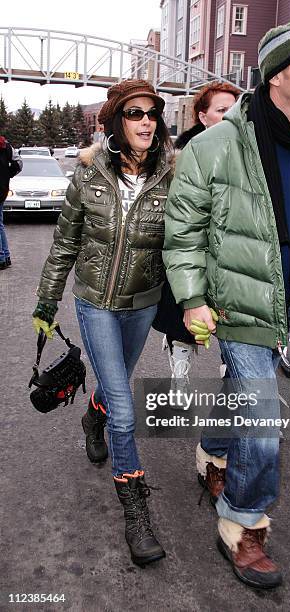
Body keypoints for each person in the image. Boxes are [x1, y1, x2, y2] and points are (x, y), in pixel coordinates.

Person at [163, 23, 290, 589]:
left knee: (241, 399)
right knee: (262, 419)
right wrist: (193, 298)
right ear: (278, 74)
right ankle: (242, 525)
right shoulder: (215, 145)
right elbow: (183, 234)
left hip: (289, 299)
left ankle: (212, 455)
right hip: (234, 302)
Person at [32, 79, 173, 567]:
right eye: (135, 114)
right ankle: (136, 513)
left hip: (143, 304)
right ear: (115, 123)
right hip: (96, 304)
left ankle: (94, 416)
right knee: (126, 408)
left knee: (116, 388)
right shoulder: (87, 176)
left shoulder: (172, 178)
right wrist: (46, 302)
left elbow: (188, 243)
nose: (146, 122)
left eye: (152, 113)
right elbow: (65, 245)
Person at [153, 81, 240, 383]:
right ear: (203, 117)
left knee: (234, 329)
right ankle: (180, 370)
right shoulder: (184, 156)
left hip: (231, 255)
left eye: (235, 109)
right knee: (185, 324)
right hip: (192, 251)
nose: (230, 116)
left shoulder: (248, 153)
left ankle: (234, 376)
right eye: (221, 110)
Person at [0, 136, 23, 270]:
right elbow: (19, 163)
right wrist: (7, 174)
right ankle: (5, 256)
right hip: (2, 189)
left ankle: (2, 257)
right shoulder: (6, 145)